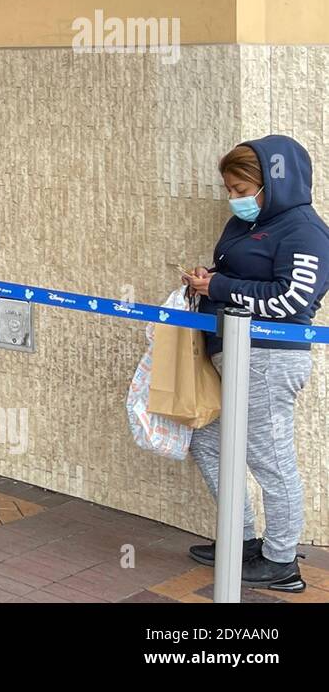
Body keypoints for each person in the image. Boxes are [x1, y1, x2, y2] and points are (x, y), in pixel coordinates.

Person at [182, 135, 329, 592]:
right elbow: (235, 274)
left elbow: (292, 299)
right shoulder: (246, 225)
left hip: (269, 359)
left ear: (274, 183)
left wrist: (219, 288)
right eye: (229, 190)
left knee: (271, 459)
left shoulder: (305, 231)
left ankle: (281, 561)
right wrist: (207, 279)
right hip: (232, 354)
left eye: (241, 190)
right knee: (207, 441)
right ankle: (241, 541)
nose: (234, 200)